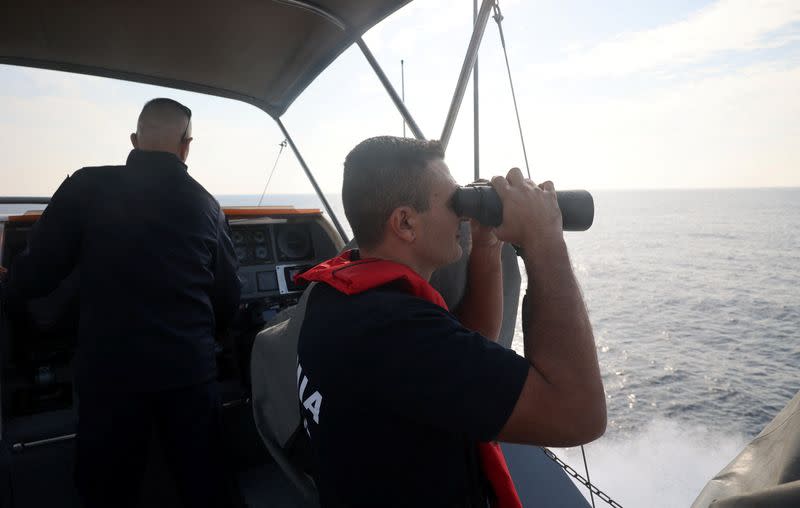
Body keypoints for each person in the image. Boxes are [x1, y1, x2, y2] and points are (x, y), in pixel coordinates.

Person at [295, 136, 606, 507]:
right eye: (453, 202)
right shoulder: (398, 334)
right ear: (406, 223)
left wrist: (486, 242)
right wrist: (544, 239)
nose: (462, 213)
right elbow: (579, 414)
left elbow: (470, 345)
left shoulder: (336, 296)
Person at [1, 98, 241, 507]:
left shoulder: (85, 186)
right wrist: (208, 340)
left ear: (134, 140)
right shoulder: (208, 206)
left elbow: (37, 274)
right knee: (205, 484)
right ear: (187, 145)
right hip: (188, 372)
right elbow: (227, 296)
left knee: (108, 489)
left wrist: (9, 283)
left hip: (110, 374)